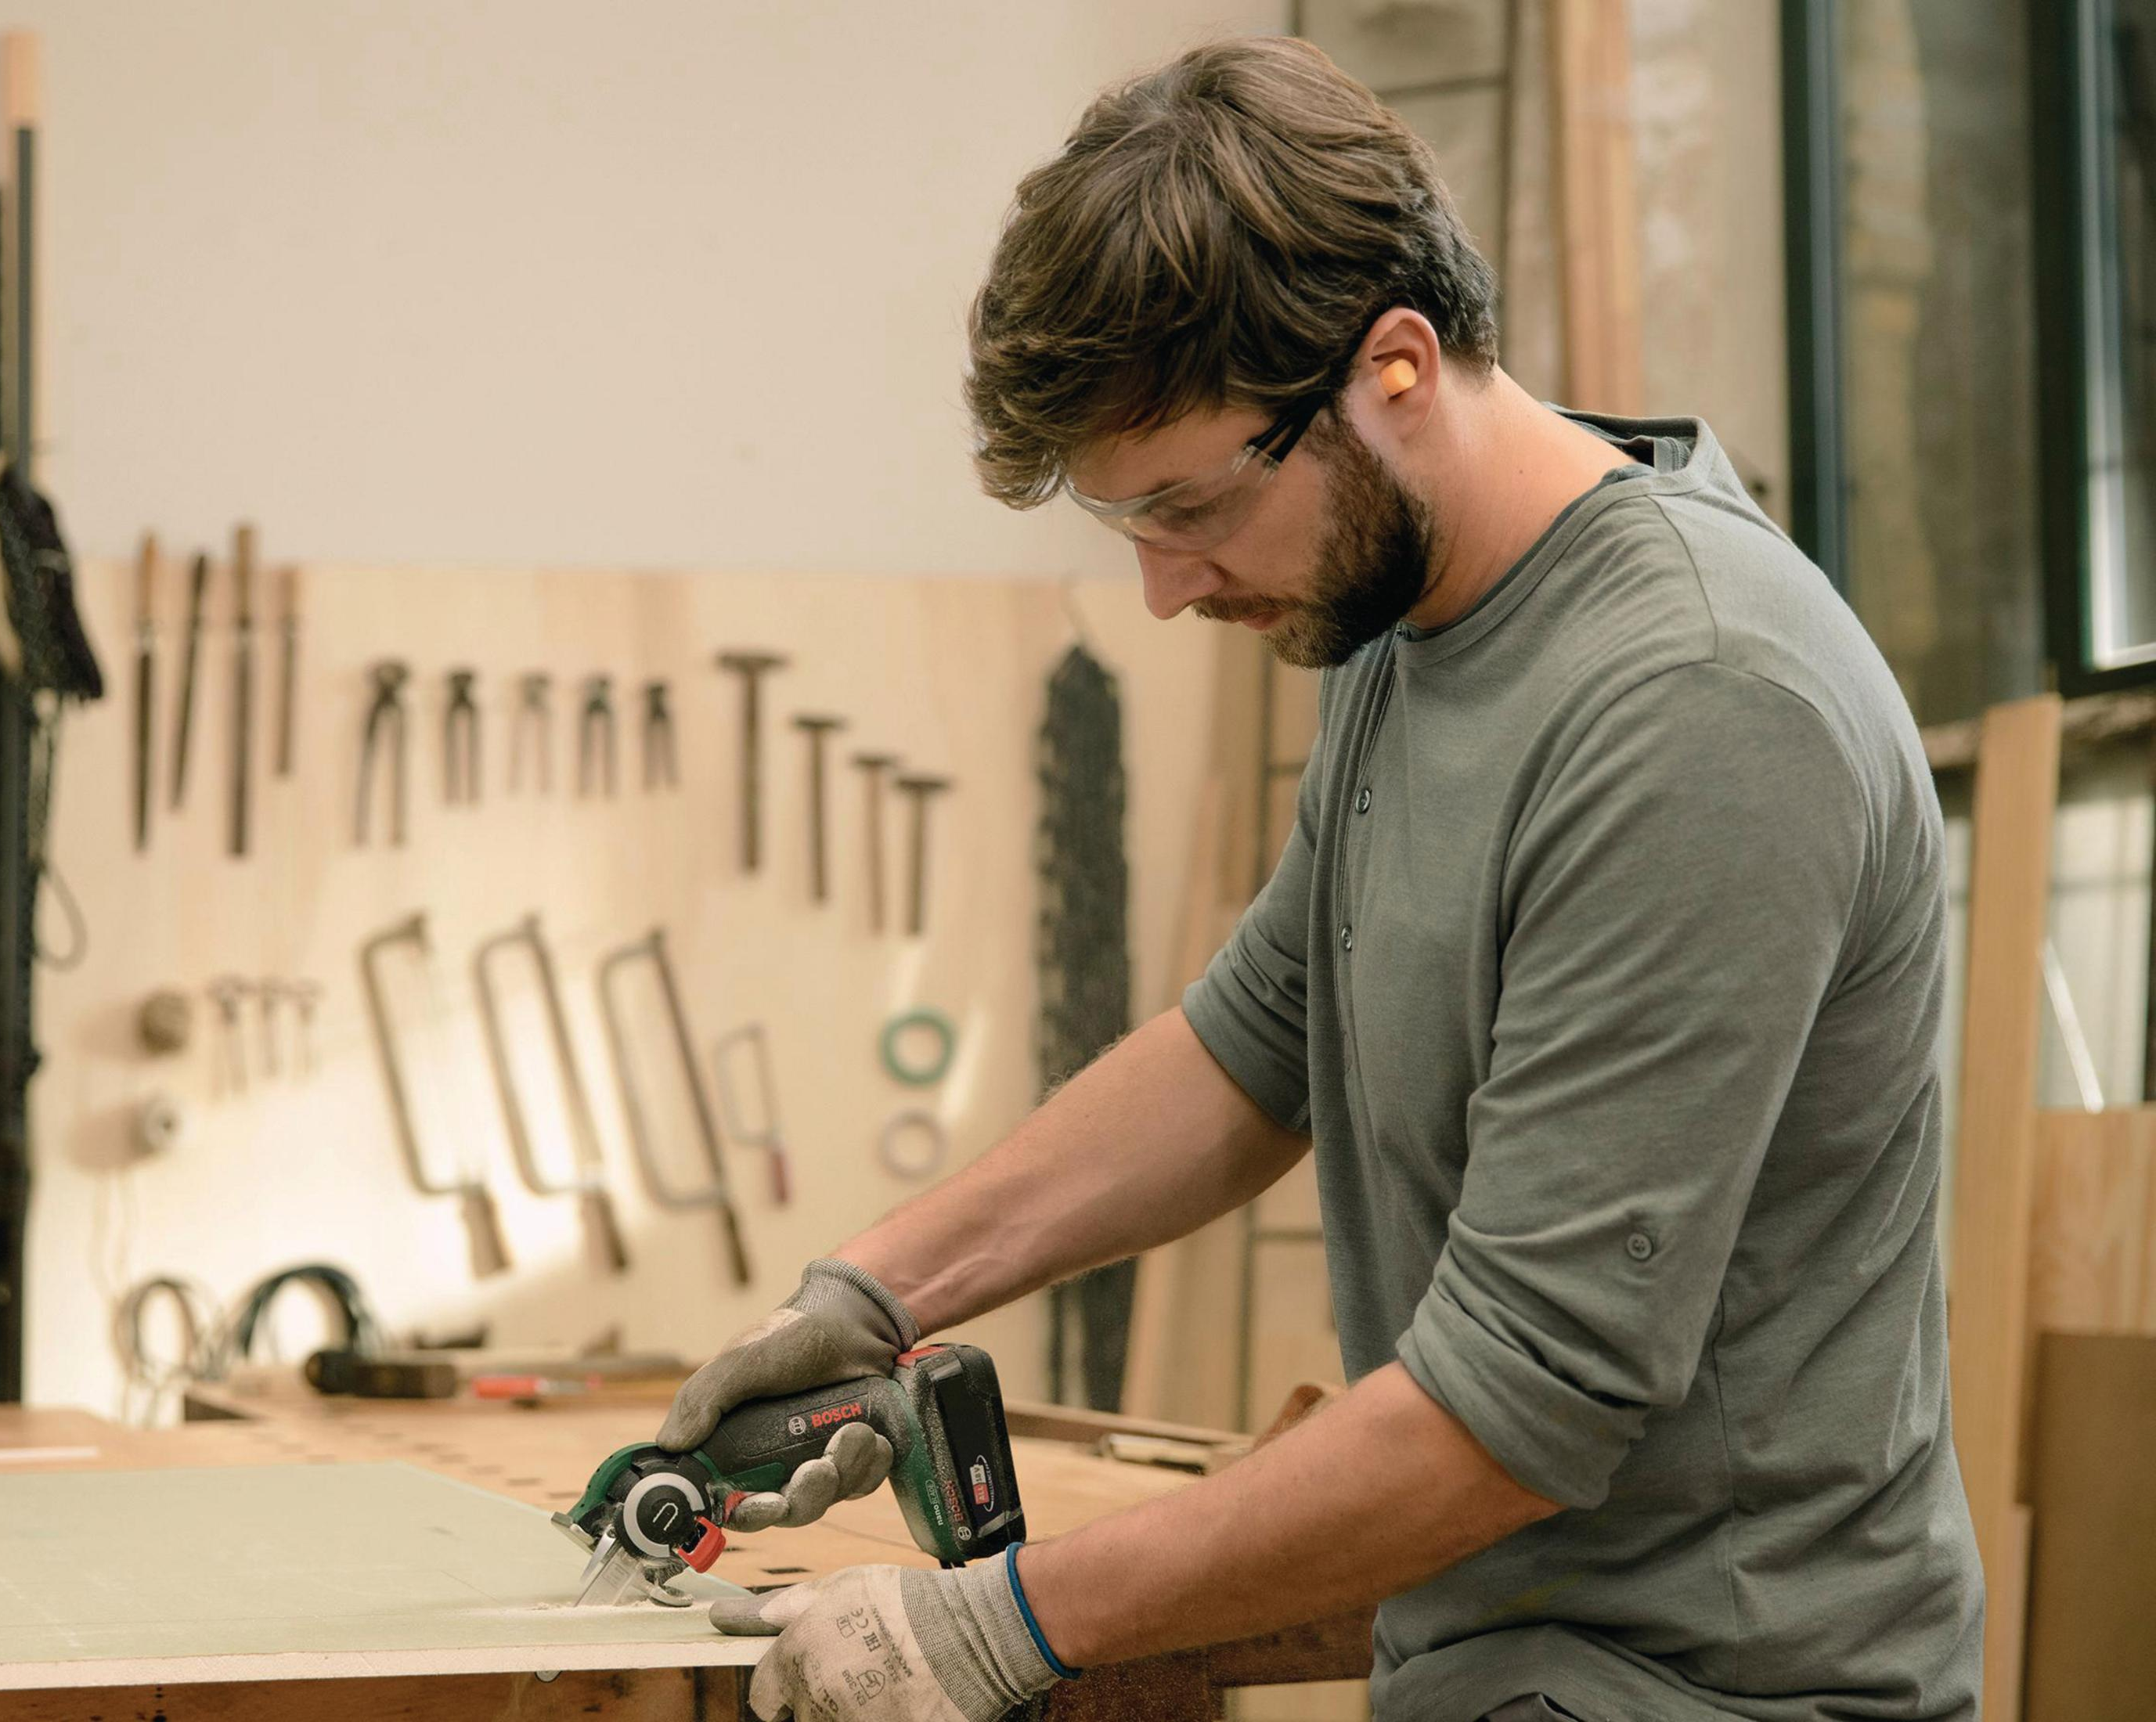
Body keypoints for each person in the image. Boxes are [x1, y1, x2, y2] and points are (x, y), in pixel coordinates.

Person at [672, 35, 1985, 1722]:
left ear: (1391, 368)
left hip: (1706, 1692)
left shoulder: (1694, 700)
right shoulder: (1411, 619)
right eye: (1120, 524)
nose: (1160, 589)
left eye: (1190, 505)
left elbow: (1522, 1397)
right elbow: (1254, 1041)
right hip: (1498, 1670)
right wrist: (875, 1289)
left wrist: (1002, 1618)